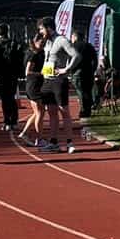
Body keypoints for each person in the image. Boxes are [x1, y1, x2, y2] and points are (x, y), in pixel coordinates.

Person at [37, 17, 80, 153]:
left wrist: (66, 70)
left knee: (64, 111)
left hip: (59, 81)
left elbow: (76, 55)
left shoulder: (62, 40)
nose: (40, 32)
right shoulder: (47, 42)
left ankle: (69, 143)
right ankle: (53, 142)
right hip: (47, 80)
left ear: (49, 28)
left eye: (42, 29)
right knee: (52, 113)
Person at [17, 30, 47, 146]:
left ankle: (24, 132)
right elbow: (28, 72)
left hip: (37, 84)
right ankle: (39, 138)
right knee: (40, 112)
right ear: (34, 41)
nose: (43, 45)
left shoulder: (40, 53)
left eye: (44, 43)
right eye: (41, 42)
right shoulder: (32, 54)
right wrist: (42, 73)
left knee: (38, 112)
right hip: (33, 85)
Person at [0, 24, 21, 133]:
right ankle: (14, 120)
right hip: (13, 75)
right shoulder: (15, 44)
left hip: (0, 76)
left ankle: (7, 121)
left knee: (5, 99)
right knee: (11, 98)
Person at [71, 25, 99, 119]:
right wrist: (93, 69)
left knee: (81, 92)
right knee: (87, 91)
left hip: (78, 72)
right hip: (89, 72)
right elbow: (95, 59)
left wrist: (70, 70)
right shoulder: (90, 46)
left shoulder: (74, 46)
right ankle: (88, 110)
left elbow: (71, 59)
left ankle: (84, 111)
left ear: (75, 37)